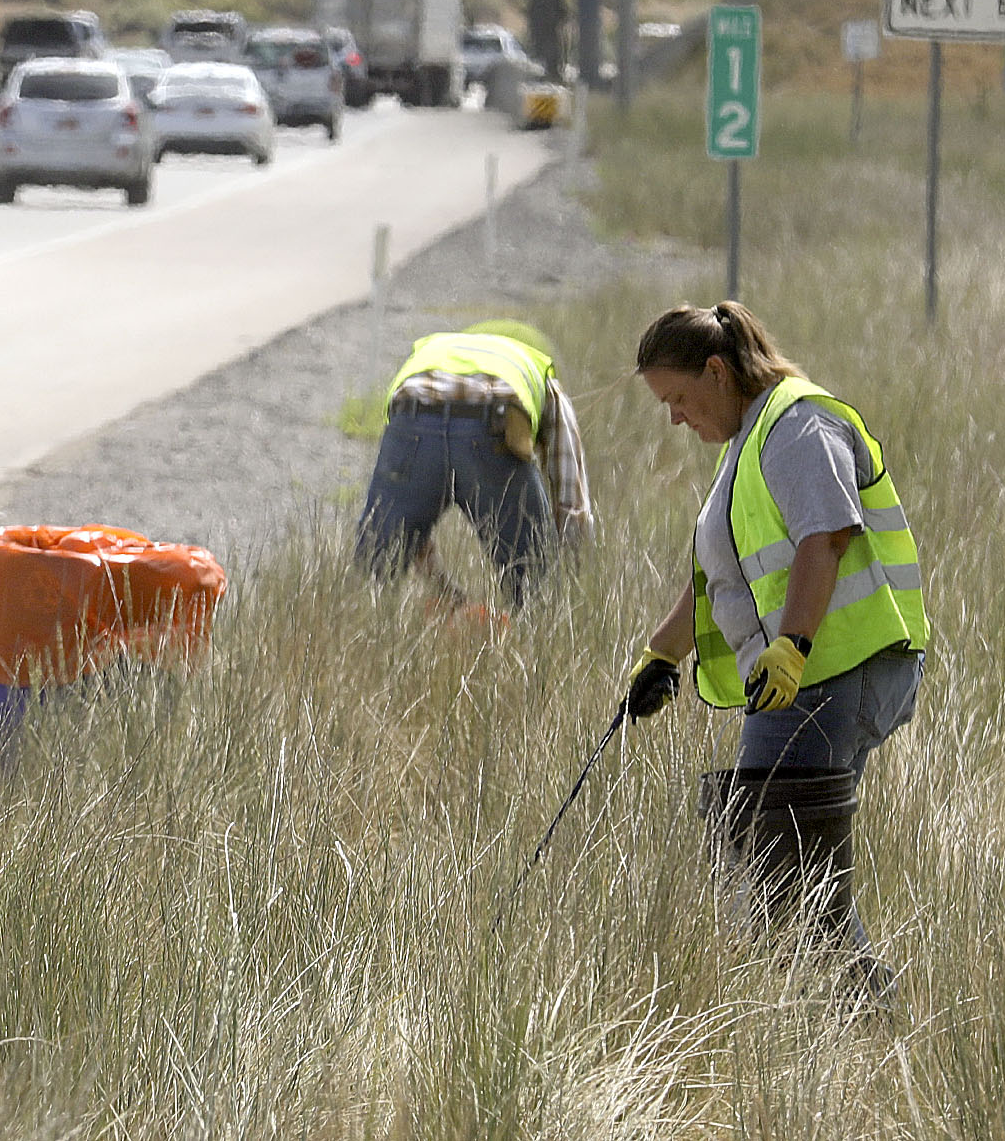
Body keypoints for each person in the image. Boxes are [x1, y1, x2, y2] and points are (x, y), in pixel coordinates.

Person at [619, 301, 928, 999]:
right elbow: (717, 579)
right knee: (771, 858)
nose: (673, 416)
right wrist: (660, 657)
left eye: (677, 397)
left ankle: (860, 1012)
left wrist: (791, 646)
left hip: (832, 674)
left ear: (717, 370)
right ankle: (847, 1010)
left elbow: (828, 535)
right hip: (803, 680)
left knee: (774, 860)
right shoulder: (750, 442)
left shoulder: (796, 424)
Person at [354, 319, 588, 610]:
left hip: (411, 411)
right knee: (535, 585)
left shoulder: (434, 354)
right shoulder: (541, 377)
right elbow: (571, 502)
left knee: (375, 574)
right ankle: (537, 637)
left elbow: (406, 519)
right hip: (494, 421)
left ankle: (363, 634)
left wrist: (446, 591)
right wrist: (564, 576)